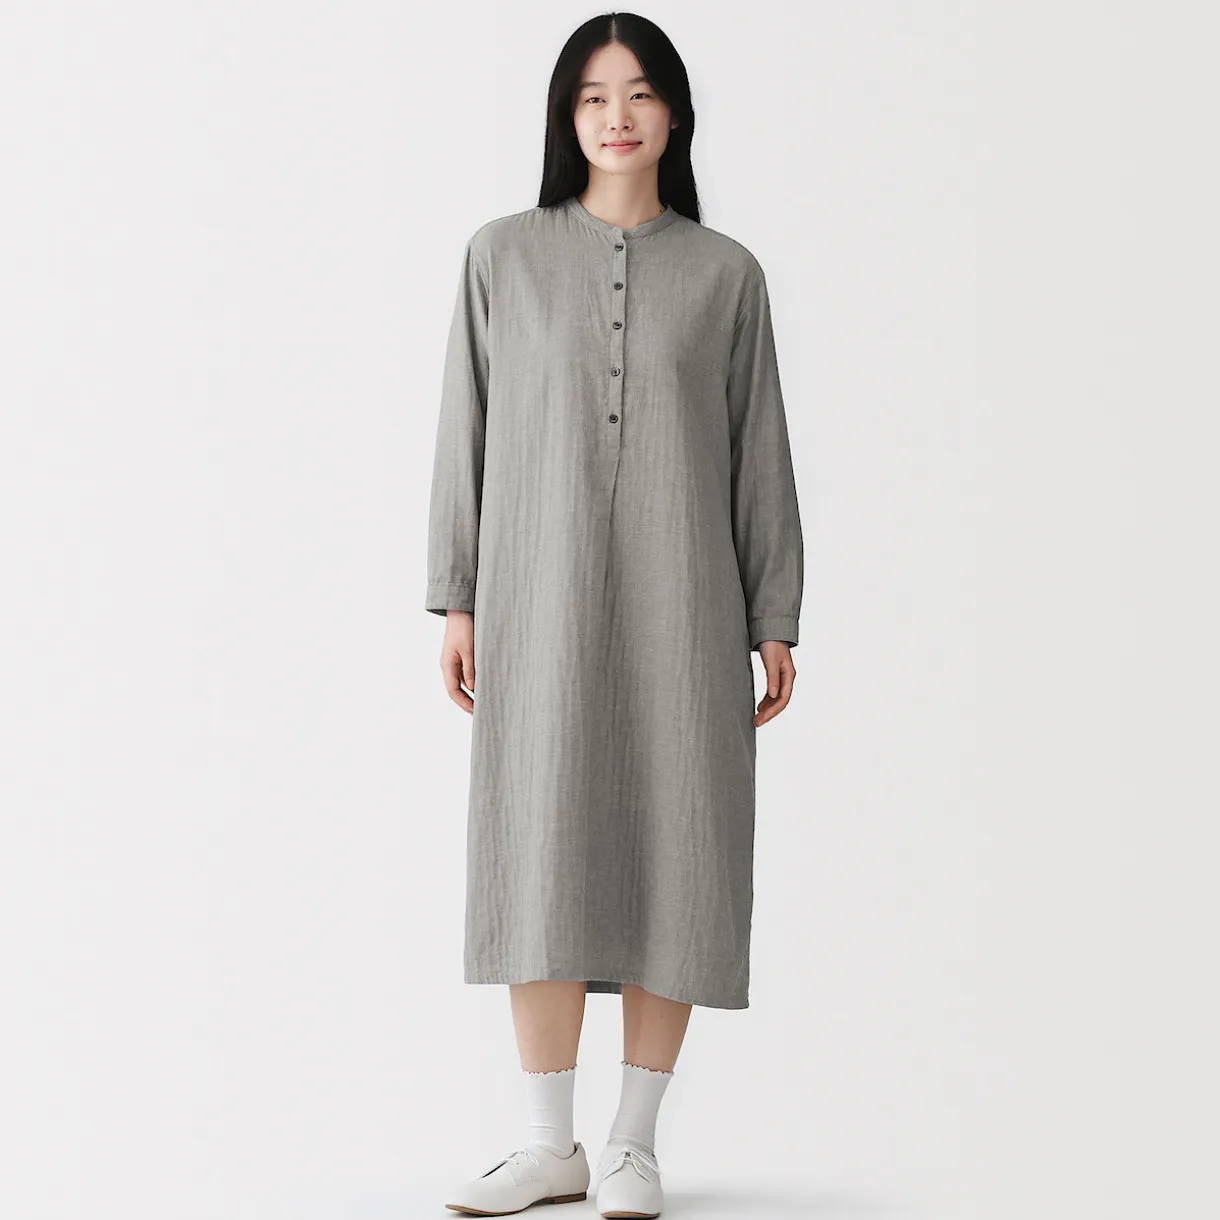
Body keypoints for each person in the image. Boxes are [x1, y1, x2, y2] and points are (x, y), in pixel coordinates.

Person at [427, 12, 804, 1218]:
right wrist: (455, 595)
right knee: (535, 837)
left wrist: (774, 610)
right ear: (565, 117)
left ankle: (633, 1143)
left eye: (637, 93)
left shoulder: (726, 274)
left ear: (674, 113)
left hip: (687, 598)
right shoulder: (501, 255)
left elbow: (758, 450)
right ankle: (548, 1144)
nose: (616, 116)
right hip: (532, 595)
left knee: (679, 839)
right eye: (592, 97)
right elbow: (463, 432)